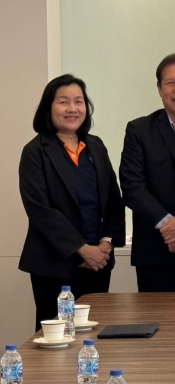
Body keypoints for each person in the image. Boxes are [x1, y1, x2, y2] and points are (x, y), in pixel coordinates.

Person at [18, 74, 125, 331]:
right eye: (63, 102)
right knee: (57, 336)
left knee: (94, 334)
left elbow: (113, 198)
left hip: (98, 263)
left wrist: (106, 243)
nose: (72, 108)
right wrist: (82, 249)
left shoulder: (95, 146)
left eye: (79, 101)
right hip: (54, 265)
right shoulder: (35, 151)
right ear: (49, 107)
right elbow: (40, 210)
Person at [119, 53, 175, 292]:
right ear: (160, 89)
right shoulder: (139, 130)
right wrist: (170, 226)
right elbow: (132, 187)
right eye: (170, 83)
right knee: (157, 316)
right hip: (156, 252)